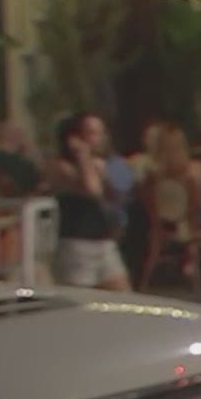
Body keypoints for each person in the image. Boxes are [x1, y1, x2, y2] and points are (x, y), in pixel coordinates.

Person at [48, 112, 131, 291]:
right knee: (81, 300)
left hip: (104, 242)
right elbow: (92, 189)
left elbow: (116, 194)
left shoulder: (99, 164)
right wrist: (82, 155)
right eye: (93, 133)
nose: (100, 139)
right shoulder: (60, 166)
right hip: (77, 245)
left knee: (124, 296)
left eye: (102, 133)